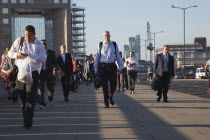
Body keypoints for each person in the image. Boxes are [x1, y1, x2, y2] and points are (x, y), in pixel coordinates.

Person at [8, 25, 46, 129]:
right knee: (23, 98)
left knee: (30, 98)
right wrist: (18, 55)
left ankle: (28, 122)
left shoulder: (39, 45)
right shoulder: (19, 41)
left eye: (29, 36)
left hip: (33, 74)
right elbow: (10, 53)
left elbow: (43, 59)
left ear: (34, 34)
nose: (27, 38)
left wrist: (30, 55)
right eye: (26, 35)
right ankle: (26, 118)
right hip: (20, 74)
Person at [94, 31, 124, 108]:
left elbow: (118, 56)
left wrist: (121, 67)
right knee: (104, 85)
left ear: (110, 36)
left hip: (112, 66)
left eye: (108, 35)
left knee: (114, 84)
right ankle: (106, 102)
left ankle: (110, 96)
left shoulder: (114, 44)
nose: (107, 37)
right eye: (105, 35)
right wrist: (95, 68)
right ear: (103, 36)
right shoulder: (100, 45)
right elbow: (97, 57)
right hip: (103, 66)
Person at [38, 39, 57, 108]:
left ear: (46, 45)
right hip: (41, 73)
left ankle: (50, 99)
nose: (43, 45)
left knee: (51, 88)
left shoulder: (51, 52)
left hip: (49, 72)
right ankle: (42, 103)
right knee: (41, 89)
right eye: (41, 44)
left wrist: (54, 69)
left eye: (44, 44)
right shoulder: (37, 52)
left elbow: (55, 63)